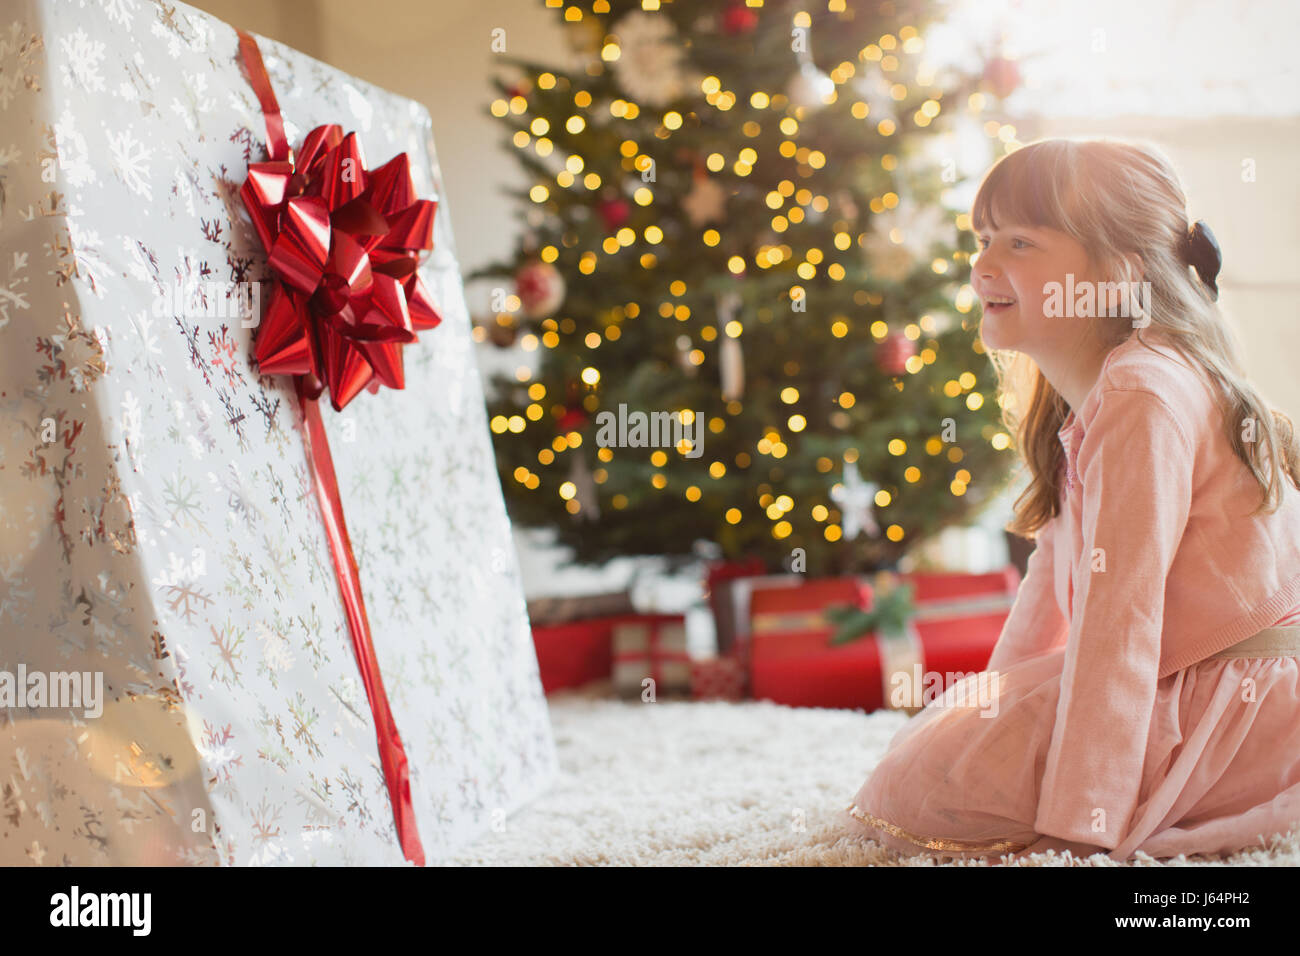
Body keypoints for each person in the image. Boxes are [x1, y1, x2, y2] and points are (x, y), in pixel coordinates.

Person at [843, 138, 1300, 863]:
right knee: (930, 764)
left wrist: (1081, 822)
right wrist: (989, 707)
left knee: (924, 794)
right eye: (983, 238)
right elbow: (1047, 597)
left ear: (1117, 275)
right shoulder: (1093, 395)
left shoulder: (1142, 393)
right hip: (1194, 678)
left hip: (1234, 708)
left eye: (1019, 241)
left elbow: (1122, 622)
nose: (982, 263)